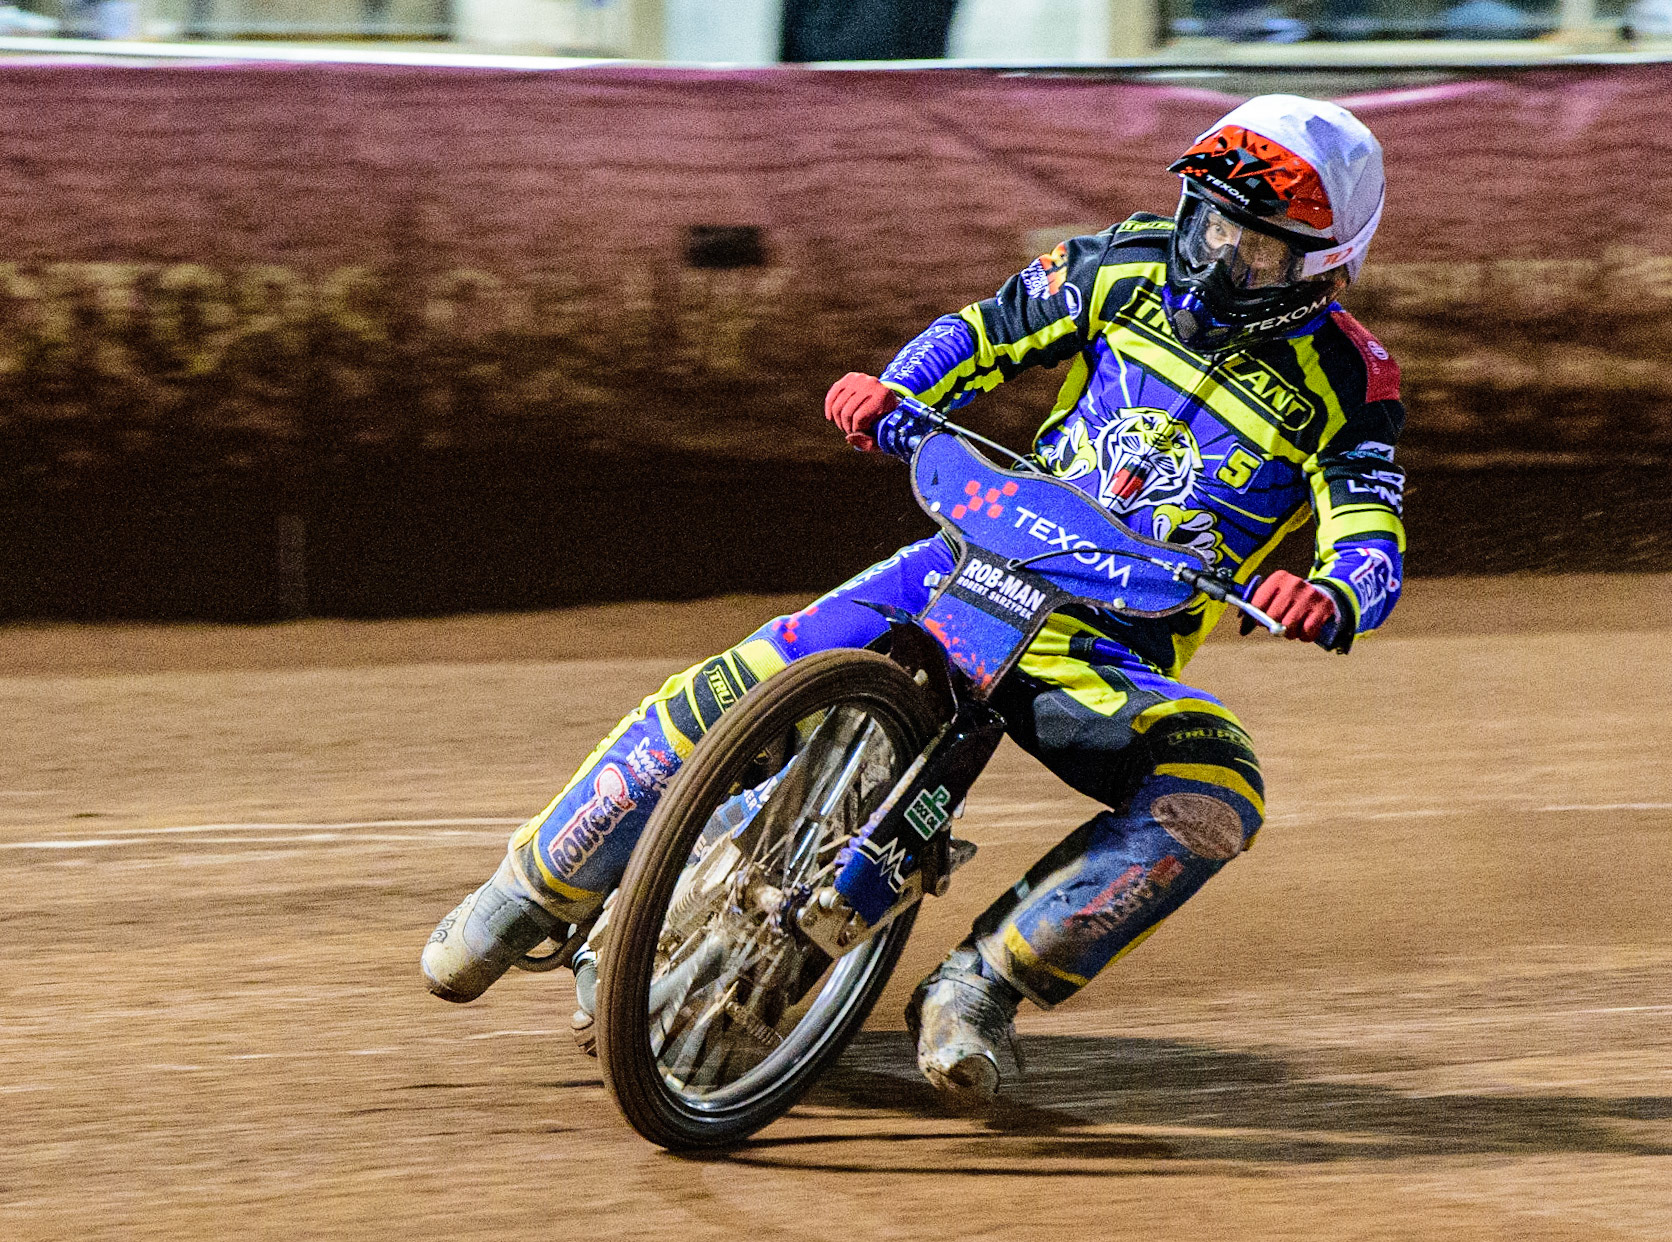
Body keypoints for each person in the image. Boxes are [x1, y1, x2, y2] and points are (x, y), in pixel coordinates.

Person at [422, 93, 1408, 1099]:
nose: (1212, 256)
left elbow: (1373, 532)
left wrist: (1332, 593)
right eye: (1207, 222)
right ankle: (526, 891)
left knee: (1216, 795)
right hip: (965, 562)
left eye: (1253, 248)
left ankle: (980, 987)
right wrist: (897, 392)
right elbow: (983, 331)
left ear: (1325, 266)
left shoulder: (1353, 380)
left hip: (1104, 650)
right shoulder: (1120, 258)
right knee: (740, 684)